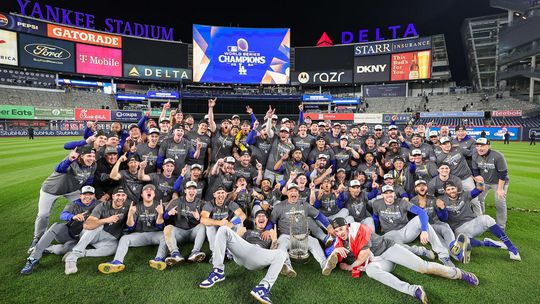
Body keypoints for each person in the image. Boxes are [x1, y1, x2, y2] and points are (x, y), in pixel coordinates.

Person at [326, 218, 479, 304]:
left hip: (388, 250)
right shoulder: (340, 240)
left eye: (341, 229)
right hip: (378, 260)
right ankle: (414, 290)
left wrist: (350, 266)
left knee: (423, 267)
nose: (340, 233)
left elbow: (364, 254)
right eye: (337, 231)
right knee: (372, 272)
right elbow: (332, 260)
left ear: (347, 226)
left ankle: (458, 273)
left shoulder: (359, 229)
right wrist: (335, 252)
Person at [199, 210, 287, 304]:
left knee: (281, 254)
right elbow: (234, 243)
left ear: (267, 220)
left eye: (263, 216)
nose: (261, 217)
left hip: (259, 255)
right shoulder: (247, 231)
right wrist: (239, 234)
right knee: (223, 229)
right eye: (259, 216)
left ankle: (262, 288)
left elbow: (272, 256)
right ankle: (218, 271)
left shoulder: (270, 234)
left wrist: (274, 240)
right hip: (244, 250)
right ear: (255, 221)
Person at [28, 146, 97, 253]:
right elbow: (59, 169)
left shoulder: (93, 165)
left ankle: (84, 232)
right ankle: (37, 239)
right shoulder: (73, 161)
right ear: (82, 156)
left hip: (71, 191)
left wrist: (86, 194)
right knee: (43, 214)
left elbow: (89, 180)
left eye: (93, 156)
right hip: (51, 190)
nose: (91, 158)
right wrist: (69, 159)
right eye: (89, 156)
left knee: (89, 203)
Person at [437, 181, 521, 262]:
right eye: (448, 189)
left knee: (487, 219)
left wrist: (480, 184)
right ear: (445, 191)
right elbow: (443, 219)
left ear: (456, 188)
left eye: (453, 188)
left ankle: (512, 248)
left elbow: (477, 191)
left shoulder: (464, 194)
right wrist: (442, 209)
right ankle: (488, 243)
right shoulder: (441, 200)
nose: (451, 191)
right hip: (458, 230)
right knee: (462, 242)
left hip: (472, 223)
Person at [21, 186, 98, 275]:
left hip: (79, 240)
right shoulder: (74, 204)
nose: (87, 197)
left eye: (90, 194)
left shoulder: (99, 204)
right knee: (57, 226)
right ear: (80, 196)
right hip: (68, 234)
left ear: (94, 196)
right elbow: (63, 215)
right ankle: (33, 258)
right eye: (85, 194)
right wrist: (73, 216)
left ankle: (47, 248)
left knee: (63, 250)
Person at [371, 185, 454, 266]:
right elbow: (375, 218)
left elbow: (422, 212)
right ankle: (420, 251)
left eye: (390, 192)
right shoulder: (377, 204)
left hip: (406, 231)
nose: (389, 195)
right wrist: (375, 233)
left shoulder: (402, 202)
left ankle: (443, 256)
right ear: (382, 195)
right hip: (391, 234)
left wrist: (424, 230)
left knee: (419, 219)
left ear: (394, 193)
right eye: (386, 193)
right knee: (394, 247)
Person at [268, 183, 337, 277]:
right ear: (287, 193)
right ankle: (287, 267)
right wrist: (268, 231)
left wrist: (329, 226)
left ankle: (324, 264)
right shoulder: (280, 206)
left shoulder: (304, 205)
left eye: (295, 191)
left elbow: (319, 215)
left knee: (314, 242)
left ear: (298, 194)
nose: (293, 193)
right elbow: (271, 221)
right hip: (286, 236)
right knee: (281, 244)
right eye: (291, 191)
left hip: (303, 235)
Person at [97, 184, 164, 274]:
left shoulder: (159, 205)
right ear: (142, 194)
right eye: (146, 190)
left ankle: (159, 259)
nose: (149, 191)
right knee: (124, 238)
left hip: (155, 234)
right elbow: (130, 227)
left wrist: (160, 214)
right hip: (140, 234)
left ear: (154, 194)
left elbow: (159, 226)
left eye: (151, 190)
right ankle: (117, 262)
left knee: (166, 237)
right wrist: (130, 214)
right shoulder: (136, 206)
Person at [64, 187, 130, 275]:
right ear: (113, 196)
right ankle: (72, 257)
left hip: (108, 239)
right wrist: (106, 220)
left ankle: (82, 253)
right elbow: (87, 225)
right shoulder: (102, 206)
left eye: (123, 195)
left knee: (114, 248)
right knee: (98, 225)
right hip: (93, 234)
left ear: (126, 197)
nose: (120, 198)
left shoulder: (129, 206)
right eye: (118, 195)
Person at [149, 181, 207, 270]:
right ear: (185, 191)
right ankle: (175, 254)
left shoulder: (201, 203)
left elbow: (207, 219)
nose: (192, 191)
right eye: (189, 189)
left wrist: (199, 218)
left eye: (194, 189)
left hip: (193, 233)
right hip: (180, 233)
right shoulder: (177, 201)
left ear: (196, 191)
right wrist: (168, 213)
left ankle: (195, 252)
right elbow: (164, 217)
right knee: (168, 228)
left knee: (202, 226)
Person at [471, 138, 510, 229]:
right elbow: (476, 171)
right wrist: (479, 183)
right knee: (478, 198)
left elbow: (503, 173)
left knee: (500, 201)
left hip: (499, 182)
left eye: (483, 146)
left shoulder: (498, 156)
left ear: (488, 146)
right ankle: (481, 220)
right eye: (478, 146)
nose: (480, 148)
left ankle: (501, 226)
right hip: (484, 181)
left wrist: (500, 189)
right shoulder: (475, 155)